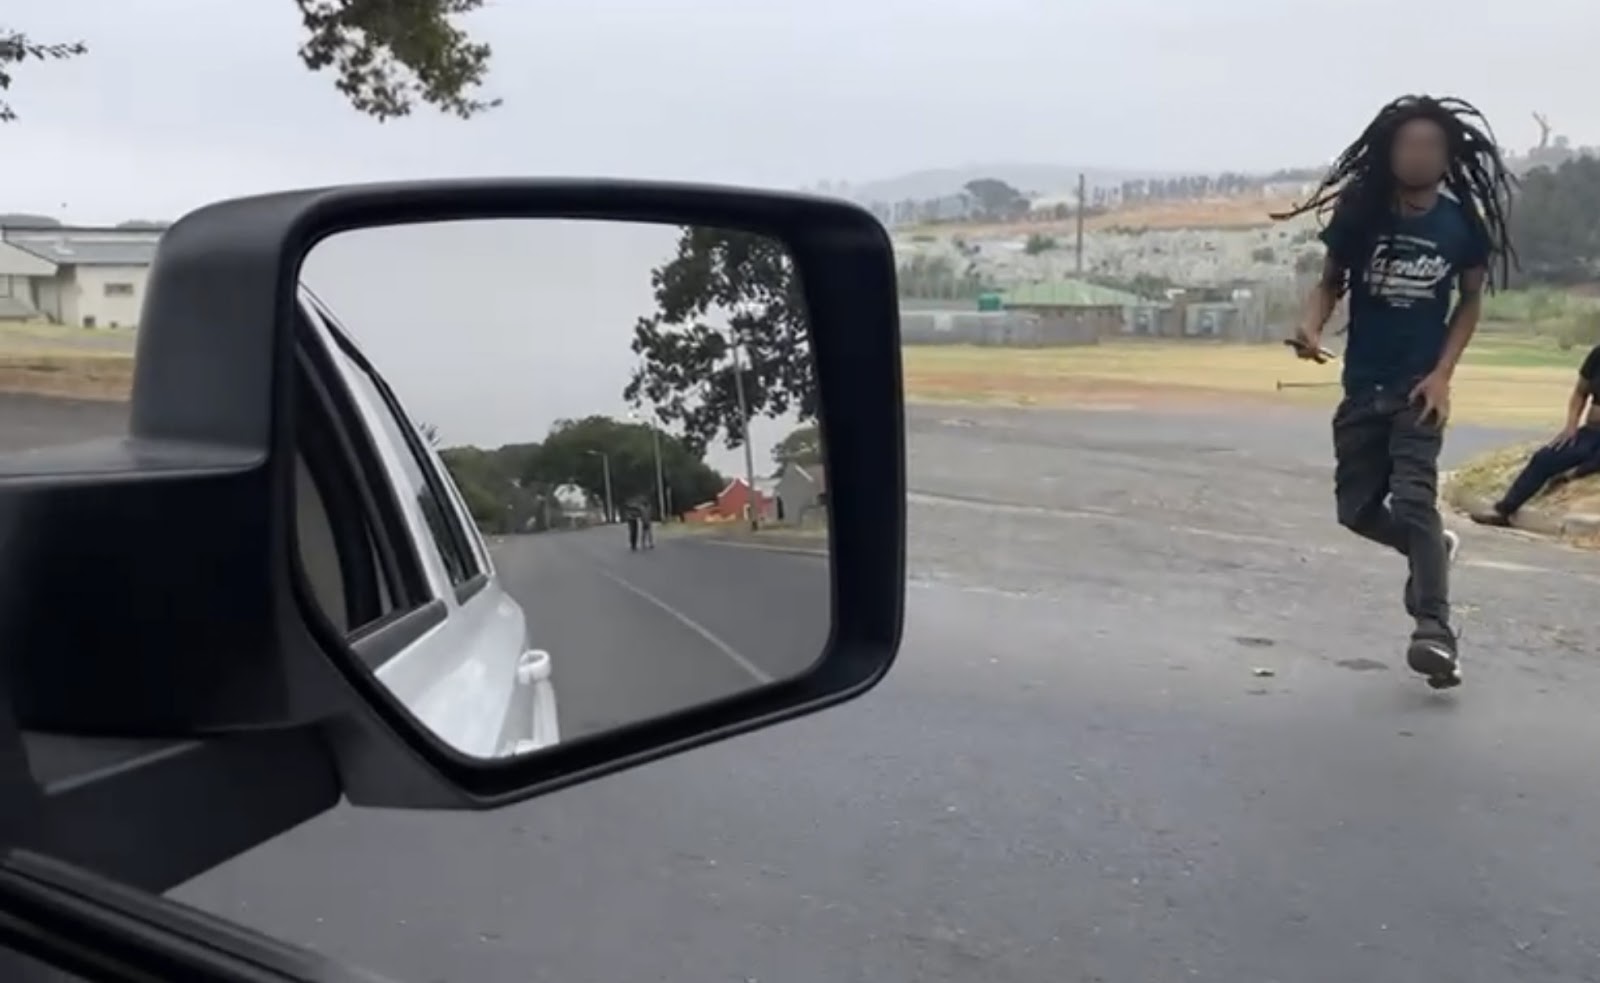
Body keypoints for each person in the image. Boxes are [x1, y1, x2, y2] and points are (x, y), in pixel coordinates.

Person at [1275, 94, 1517, 690]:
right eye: (1408, 144)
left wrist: (1442, 374)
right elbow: (1329, 285)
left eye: (1431, 145)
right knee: (1355, 512)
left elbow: (1471, 302)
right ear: (1389, 151)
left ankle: (1435, 633)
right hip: (1362, 387)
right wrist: (1310, 324)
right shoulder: (1363, 213)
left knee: (1414, 502)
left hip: (1418, 391)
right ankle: (1432, 547)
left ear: (1448, 154)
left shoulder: (1462, 225)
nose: (1419, 154)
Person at [1470, 344, 1600, 526]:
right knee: (1545, 457)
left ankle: (1571, 475)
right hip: (1591, 432)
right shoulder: (1598, 353)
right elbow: (1580, 392)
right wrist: (1571, 424)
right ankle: (1504, 510)